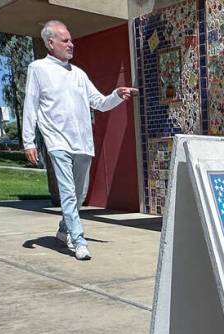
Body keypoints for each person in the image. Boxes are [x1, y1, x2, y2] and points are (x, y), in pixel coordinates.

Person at [22, 20, 137, 260]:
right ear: (50, 43)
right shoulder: (38, 68)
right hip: (57, 142)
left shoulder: (79, 74)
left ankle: (64, 231)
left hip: (83, 142)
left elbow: (100, 103)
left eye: (71, 40)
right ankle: (79, 240)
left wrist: (116, 95)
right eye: (66, 41)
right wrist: (29, 141)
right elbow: (30, 105)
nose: (71, 44)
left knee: (79, 193)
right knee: (68, 193)